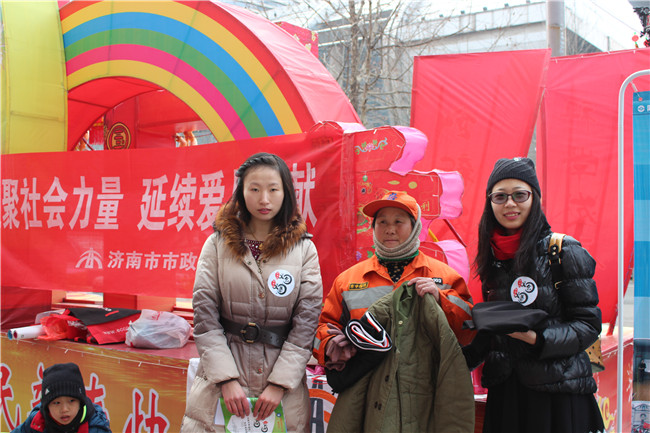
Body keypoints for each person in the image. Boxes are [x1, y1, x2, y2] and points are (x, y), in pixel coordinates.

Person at [181, 153, 323, 433]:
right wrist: (226, 379)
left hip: (282, 391)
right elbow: (204, 315)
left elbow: (307, 322)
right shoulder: (217, 244)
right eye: (254, 189)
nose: (264, 199)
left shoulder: (304, 249)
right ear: (241, 192)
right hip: (221, 386)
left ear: (286, 192)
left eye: (273, 189)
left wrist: (280, 384)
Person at [464, 157, 604, 433]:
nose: (510, 204)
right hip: (507, 391)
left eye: (519, 195)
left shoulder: (562, 251)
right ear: (490, 202)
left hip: (556, 394)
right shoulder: (492, 258)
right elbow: (493, 331)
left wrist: (538, 339)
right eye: (500, 196)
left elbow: (588, 325)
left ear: (534, 198)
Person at [314, 190, 475, 370]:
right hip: (367, 383)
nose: (390, 230)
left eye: (398, 221)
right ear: (373, 227)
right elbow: (324, 327)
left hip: (427, 383)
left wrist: (441, 299)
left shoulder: (446, 277)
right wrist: (330, 344)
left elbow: (469, 331)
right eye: (382, 222)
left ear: (415, 227)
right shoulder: (347, 281)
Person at [12, 362, 111, 433]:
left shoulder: (96, 427)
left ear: (80, 402)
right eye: (56, 403)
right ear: (47, 406)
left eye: (71, 401)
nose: (64, 409)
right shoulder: (37, 422)